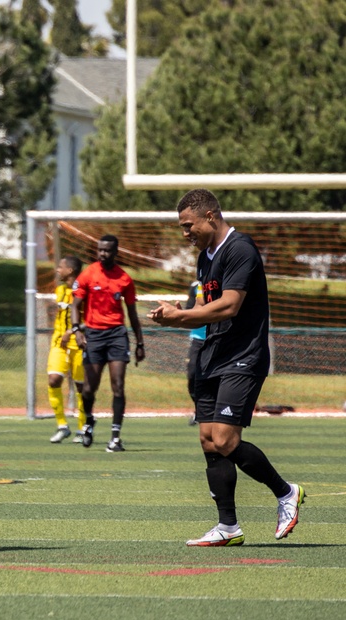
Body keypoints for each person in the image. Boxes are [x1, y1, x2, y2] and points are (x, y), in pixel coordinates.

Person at [149, 189, 304, 547]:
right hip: (213, 355)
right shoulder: (205, 257)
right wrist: (176, 313)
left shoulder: (241, 249)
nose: (185, 233)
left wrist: (180, 317)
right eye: (182, 227)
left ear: (211, 217)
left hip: (243, 356)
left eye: (189, 226)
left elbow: (230, 305)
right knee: (208, 441)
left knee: (224, 438)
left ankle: (286, 492)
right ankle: (228, 527)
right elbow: (207, 303)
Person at [70, 235, 145, 453]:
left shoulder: (124, 279)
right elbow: (76, 305)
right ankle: (89, 421)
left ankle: (115, 437)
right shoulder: (88, 274)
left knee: (118, 386)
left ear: (116, 251)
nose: (103, 254)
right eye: (100, 250)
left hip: (117, 335)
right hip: (93, 335)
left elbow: (132, 313)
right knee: (89, 388)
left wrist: (140, 343)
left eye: (107, 250)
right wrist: (77, 330)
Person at [47, 256, 87, 443]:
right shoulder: (60, 290)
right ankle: (62, 425)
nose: (57, 270)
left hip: (79, 343)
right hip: (59, 343)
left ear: (70, 270)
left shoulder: (85, 291)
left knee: (81, 387)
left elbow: (92, 318)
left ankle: (82, 428)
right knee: (54, 380)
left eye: (60, 267)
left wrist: (72, 331)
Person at [185, 280, 207, 426]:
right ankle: (199, 409)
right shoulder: (196, 286)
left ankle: (210, 412)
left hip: (220, 338)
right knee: (192, 374)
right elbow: (189, 308)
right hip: (198, 339)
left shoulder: (226, 282)